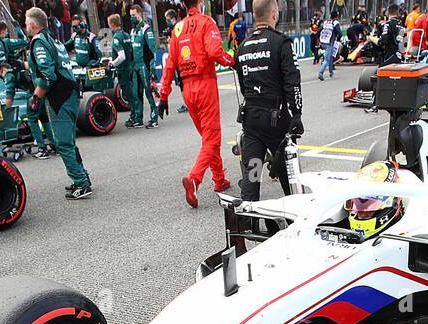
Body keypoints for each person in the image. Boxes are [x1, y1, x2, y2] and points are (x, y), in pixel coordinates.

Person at [156, 0, 233, 206]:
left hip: (187, 89)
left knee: (208, 137)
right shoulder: (206, 22)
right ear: (200, 2)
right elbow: (215, 52)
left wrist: (163, 95)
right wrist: (233, 61)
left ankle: (219, 179)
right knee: (212, 137)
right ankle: (194, 179)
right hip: (205, 84)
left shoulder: (177, 27)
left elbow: (170, 64)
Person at [236, 0, 301, 201]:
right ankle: (296, 214)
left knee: (252, 173)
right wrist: (296, 114)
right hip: (275, 121)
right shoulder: (281, 43)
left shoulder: (243, 47)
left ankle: (247, 220)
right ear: (274, 13)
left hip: (251, 121)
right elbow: (293, 82)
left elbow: (243, 85)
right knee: (287, 171)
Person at [26, 6, 91, 196]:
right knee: (69, 141)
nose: (26, 27)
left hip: (59, 96)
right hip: (70, 92)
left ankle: (81, 183)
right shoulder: (54, 40)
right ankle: (83, 177)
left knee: (63, 143)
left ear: (32, 24)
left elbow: (48, 76)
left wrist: (36, 97)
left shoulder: (39, 41)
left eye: (26, 23)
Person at [0, 18, 53, 154]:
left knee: (32, 118)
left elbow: (9, 98)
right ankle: (54, 145)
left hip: (34, 91)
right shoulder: (7, 45)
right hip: (36, 86)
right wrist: (18, 29)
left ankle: (42, 149)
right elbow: (24, 41)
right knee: (43, 116)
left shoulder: (7, 71)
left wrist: (3, 115)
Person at [128, 3, 157, 128]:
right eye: (130, 16)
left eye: (134, 15)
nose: (132, 18)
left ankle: (154, 118)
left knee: (148, 92)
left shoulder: (146, 29)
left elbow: (152, 50)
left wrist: (152, 68)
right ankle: (138, 119)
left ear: (139, 14)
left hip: (144, 65)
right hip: (135, 66)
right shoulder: (133, 30)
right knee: (136, 93)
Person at [317, 10, 339, 80]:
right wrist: (338, 39)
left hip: (322, 41)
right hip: (329, 43)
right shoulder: (335, 23)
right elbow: (340, 33)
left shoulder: (326, 22)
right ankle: (320, 73)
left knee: (330, 57)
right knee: (326, 60)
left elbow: (319, 30)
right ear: (336, 17)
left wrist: (318, 39)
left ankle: (331, 72)